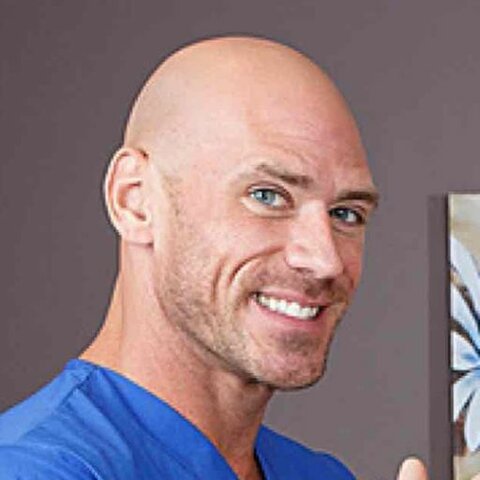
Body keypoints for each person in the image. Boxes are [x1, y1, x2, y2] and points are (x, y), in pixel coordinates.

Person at [0, 36, 429, 479]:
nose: (325, 259)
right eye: (267, 195)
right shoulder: (33, 468)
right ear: (135, 200)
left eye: (346, 213)